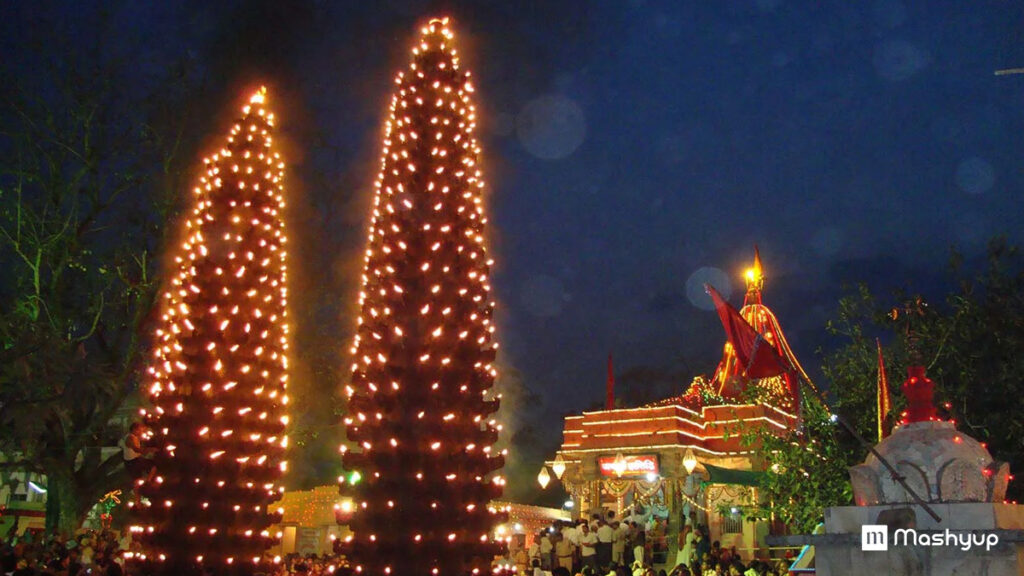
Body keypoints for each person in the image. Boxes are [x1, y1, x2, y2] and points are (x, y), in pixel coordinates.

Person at [122, 422, 156, 502]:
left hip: (132, 462)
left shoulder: (134, 437)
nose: (141, 432)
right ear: (134, 429)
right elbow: (136, 449)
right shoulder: (130, 438)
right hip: (133, 462)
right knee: (153, 466)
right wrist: (150, 450)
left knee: (137, 482)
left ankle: (137, 501)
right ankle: (148, 483)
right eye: (140, 430)